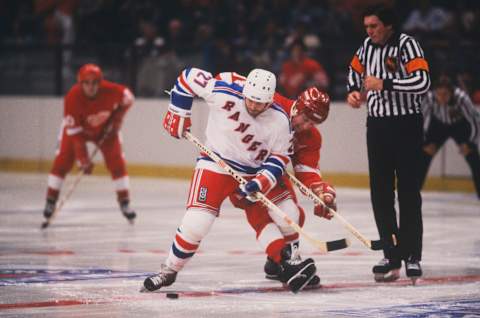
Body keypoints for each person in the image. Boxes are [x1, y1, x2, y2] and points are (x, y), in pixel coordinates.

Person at [143, 68, 318, 293]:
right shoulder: (224, 90)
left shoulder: (279, 121)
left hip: (253, 173)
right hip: (215, 163)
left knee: (289, 215)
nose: (254, 106)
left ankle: (287, 261)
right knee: (196, 222)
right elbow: (187, 77)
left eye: (260, 103)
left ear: (270, 100)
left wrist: (260, 183)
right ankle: (168, 271)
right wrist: (179, 111)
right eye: (251, 100)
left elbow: (279, 160)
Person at [216, 72, 335, 287]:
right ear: (297, 106)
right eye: (305, 119)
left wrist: (321, 192)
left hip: (272, 175)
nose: (306, 126)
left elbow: (307, 172)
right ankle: (282, 263)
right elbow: (229, 82)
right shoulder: (271, 102)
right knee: (261, 216)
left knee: (291, 214)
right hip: (241, 172)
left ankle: (279, 262)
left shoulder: (311, 137)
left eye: (313, 123)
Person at [346, 5, 431, 283]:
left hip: (407, 125)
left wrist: (385, 83)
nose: (369, 31)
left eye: (374, 26)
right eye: (367, 26)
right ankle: (391, 252)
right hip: (378, 127)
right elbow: (353, 71)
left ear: (388, 26)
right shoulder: (366, 47)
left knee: (408, 193)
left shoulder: (408, 45)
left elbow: (422, 81)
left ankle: (412, 255)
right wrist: (352, 93)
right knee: (380, 193)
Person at [42, 63, 137, 223]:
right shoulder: (72, 97)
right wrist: (83, 158)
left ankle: (125, 202)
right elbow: (75, 135)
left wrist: (118, 119)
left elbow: (129, 98)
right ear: (80, 83)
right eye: (87, 83)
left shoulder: (112, 91)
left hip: (105, 131)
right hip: (78, 131)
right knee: (62, 161)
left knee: (117, 162)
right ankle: (51, 201)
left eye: (95, 83)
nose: (91, 87)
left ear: (100, 82)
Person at [419, 76, 480, 199]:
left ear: (451, 92)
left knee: (473, 159)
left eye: (445, 94)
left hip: (460, 126)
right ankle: (412, 193)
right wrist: (424, 143)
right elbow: (420, 122)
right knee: (423, 157)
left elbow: (476, 121)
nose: (441, 97)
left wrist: (470, 143)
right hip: (438, 126)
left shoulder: (462, 99)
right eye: (439, 94)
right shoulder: (430, 98)